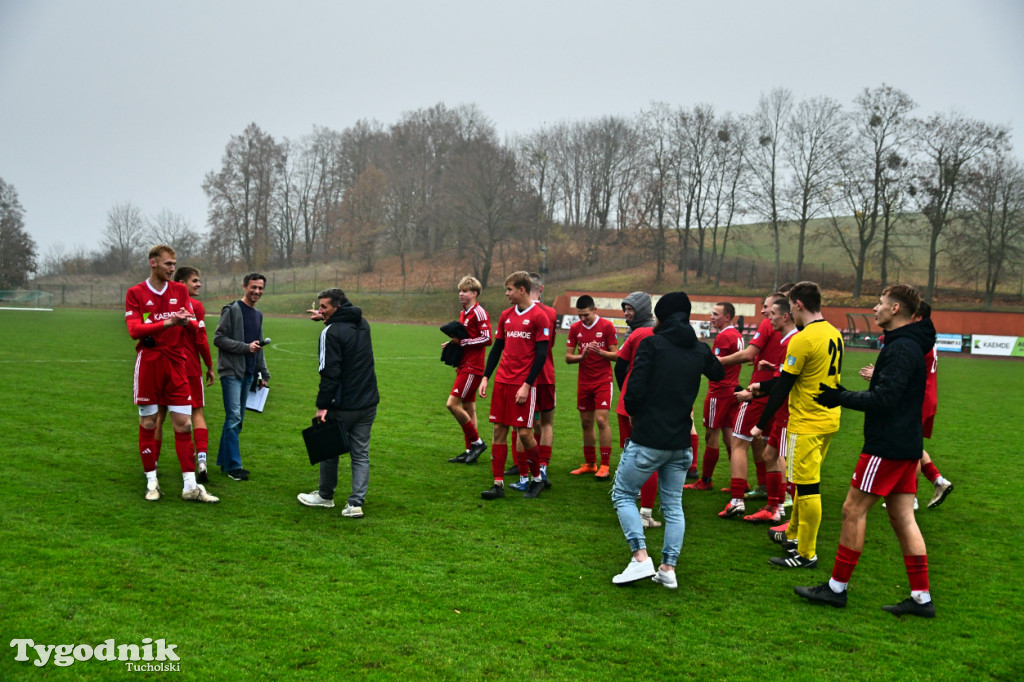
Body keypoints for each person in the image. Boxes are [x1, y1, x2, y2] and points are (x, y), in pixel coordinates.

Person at [795, 284, 937, 617]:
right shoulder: (908, 344)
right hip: (906, 443)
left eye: (880, 303)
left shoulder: (902, 348)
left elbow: (885, 400)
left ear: (896, 309)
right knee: (903, 517)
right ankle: (921, 598)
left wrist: (839, 396)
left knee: (851, 510)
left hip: (887, 445)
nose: (875, 308)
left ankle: (836, 589)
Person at [610, 292, 724, 588]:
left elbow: (633, 391)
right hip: (681, 442)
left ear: (662, 316)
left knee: (623, 494)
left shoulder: (652, 343)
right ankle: (668, 569)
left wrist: (636, 413)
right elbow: (718, 371)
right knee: (674, 506)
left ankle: (640, 558)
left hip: (648, 437)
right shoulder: (699, 348)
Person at [751, 281, 843, 569]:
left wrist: (760, 424)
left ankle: (806, 553)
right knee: (804, 483)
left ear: (798, 305)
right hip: (828, 418)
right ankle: (792, 533)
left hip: (806, 420)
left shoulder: (803, 338)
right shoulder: (834, 333)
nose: (789, 310)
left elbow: (784, 387)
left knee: (806, 486)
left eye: (790, 305)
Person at [124, 244, 218, 503]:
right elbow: (134, 329)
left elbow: (190, 323)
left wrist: (188, 320)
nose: (172, 269)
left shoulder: (178, 290)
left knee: (185, 423)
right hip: (150, 364)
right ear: (153, 263)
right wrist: (168, 322)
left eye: (174, 265)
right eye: (168, 264)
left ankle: (190, 485)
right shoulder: (136, 293)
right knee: (150, 423)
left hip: (177, 365)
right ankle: (152, 481)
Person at [860, 301, 953, 509]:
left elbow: (905, 370)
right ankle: (937, 481)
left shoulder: (915, 342)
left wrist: (879, 375)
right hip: (925, 396)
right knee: (913, 445)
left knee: (909, 446)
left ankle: (912, 497)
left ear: (917, 317)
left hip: (917, 398)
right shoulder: (924, 339)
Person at [297, 288, 379, 518]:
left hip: (343, 404)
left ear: (337, 308)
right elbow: (345, 325)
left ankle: (325, 496)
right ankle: (355, 504)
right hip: (368, 401)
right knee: (361, 454)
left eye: (324, 307)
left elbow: (329, 372)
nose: (320, 310)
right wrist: (326, 317)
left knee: (329, 449)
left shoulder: (330, 333)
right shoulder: (362, 323)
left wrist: (323, 405)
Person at [477, 271, 552, 499]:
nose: (507, 294)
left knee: (525, 434)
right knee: (499, 430)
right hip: (502, 382)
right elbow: (497, 348)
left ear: (522, 289)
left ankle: (537, 479)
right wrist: (486, 377)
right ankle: (497, 484)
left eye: (509, 289)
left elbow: (541, 356)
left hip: (523, 385)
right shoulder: (506, 315)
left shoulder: (540, 317)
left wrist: (527, 384)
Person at [714, 293, 785, 518]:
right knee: (773, 448)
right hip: (780, 396)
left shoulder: (768, 325)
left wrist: (714, 363)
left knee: (738, 443)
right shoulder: (797, 332)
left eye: (767, 307)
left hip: (759, 393)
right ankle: (777, 503)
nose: (764, 312)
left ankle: (736, 500)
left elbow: (748, 354)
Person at [152, 267, 217, 483]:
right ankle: (201, 460)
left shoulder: (161, 303)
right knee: (196, 413)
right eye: (195, 281)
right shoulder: (195, 306)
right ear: (181, 283)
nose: (199, 285)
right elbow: (201, 339)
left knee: (159, 417)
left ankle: (152, 463)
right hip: (188, 368)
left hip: (162, 366)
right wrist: (208, 365)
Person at [740, 297, 798, 523]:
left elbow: (784, 386)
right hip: (786, 409)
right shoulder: (789, 341)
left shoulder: (792, 341)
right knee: (770, 454)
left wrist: (760, 422)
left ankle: (781, 507)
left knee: (778, 456)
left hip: (789, 411)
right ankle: (776, 506)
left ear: (785, 315)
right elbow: (788, 377)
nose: (768, 316)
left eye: (772, 312)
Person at [214, 273, 270, 481]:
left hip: (248, 372)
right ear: (244, 286)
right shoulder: (232, 310)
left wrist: (263, 373)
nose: (257, 291)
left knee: (237, 420)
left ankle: (225, 462)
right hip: (231, 372)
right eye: (253, 287)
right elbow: (218, 338)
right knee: (234, 417)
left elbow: (259, 347)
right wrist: (245, 347)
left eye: (260, 288)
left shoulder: (258, 315)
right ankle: (234, 466)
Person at [685, 302, 743, 492]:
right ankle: (740, 481)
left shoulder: (724, 336)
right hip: (732, 390)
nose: (712, 317)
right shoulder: (737, 335)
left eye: (716, 314)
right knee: (729, 438)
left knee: (711, 435)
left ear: (727, 317)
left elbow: (715, 365)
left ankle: (706, 480)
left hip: (719, 391)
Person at [507, 272, 558, 485]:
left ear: (524, 288)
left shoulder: (522, 312)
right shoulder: (550, 312)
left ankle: (523, 467)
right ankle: (541, 466)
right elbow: (548, 345)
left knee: (520, 423)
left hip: (525, 376)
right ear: (542, 288)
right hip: (545, 374)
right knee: (544, 423)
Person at [566, 294, 619, 480]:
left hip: (603, 381)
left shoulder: (607, 326)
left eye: (586, 315)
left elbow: (617, 356)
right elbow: (567, 357)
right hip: (584, 382)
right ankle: (590, 463)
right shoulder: (575, 329)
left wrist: (600, 352)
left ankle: (604, 465)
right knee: (586, 423)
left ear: (594, 310)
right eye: (579, 315)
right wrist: (582, 357)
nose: (582, 319)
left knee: (602, 421)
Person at [445, 276, 491, 464]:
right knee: (468, 408)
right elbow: (464, 338)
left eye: (464, 291)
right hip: (465, 364)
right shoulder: (463, 313)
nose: (461, 294)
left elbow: (488, 338)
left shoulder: (479, 312)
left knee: (452, 404)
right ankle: (469, 450)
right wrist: (451, 343)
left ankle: (477, 443)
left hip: (473, 367)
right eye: (460, 291)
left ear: (474, 293)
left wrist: (463, 342)